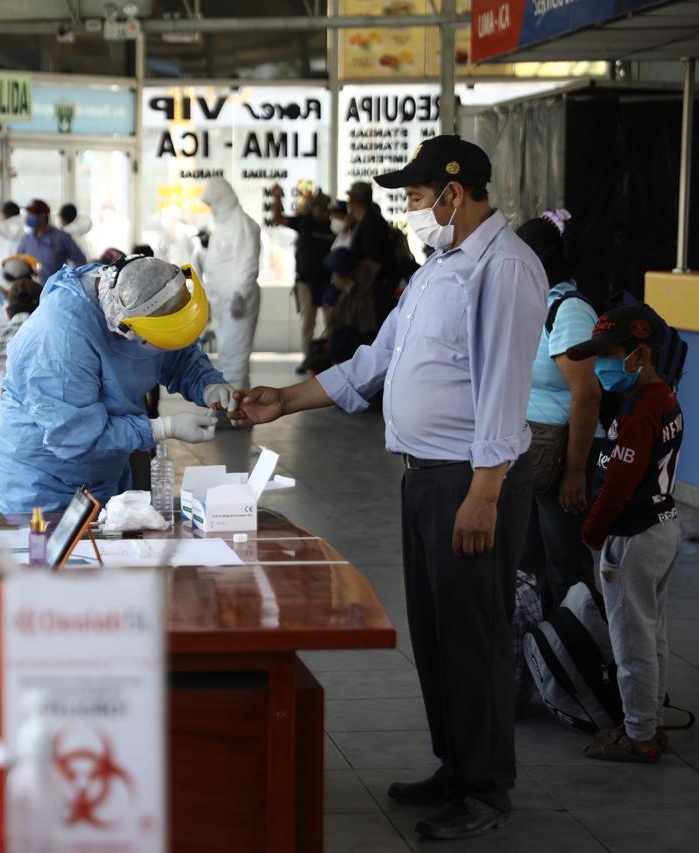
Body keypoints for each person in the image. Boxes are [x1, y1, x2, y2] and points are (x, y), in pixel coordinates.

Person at [229, 135, 546, 840]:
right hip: (426, 477)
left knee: (474, 634)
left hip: (471, 479)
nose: (409, 210)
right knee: (435, 634)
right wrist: (287, 399)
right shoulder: (439, 266)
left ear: (453, 194)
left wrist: (485, 491)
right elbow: (376, 359)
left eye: (416, 197)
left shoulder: (503, 267)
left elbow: (503, 386)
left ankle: (485, 788)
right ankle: (455, 765)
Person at [0, 255, 234, 513]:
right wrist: (163, 428)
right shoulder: (61, 335)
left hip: (105, 471)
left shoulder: (141, 291)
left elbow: (175, 352)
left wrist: (209, 386)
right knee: (55, 540)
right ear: (127, 329)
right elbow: (74, 435)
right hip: (43, 482)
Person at [567, 304, 685, 763]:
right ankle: (649, 721)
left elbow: (618, 486)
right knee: (651, 633)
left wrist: (592, 531)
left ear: (641, 354)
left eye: (610, 355)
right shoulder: (662, 398)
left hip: (634, 536)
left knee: (632, 642)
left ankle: (639, 736)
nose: (601, 365)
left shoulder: (639, 413)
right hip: (661, 526)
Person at [514, 210, 601, 614]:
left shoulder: (568, 311)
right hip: (535, 452)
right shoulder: (535, 303)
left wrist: (575, 472)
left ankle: (578, 648)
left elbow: (587, 394)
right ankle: (540, 647)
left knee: (566, 569)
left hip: (565, 453)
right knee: (530, 567)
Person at [200, 177, 261, 390]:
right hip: (222, 301)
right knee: (226, 353)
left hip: (237, 302)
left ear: (222, 199)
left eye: (212, 203)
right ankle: (233, 400)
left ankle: (237, 403)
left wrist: (239, 294)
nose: (211, 209)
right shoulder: (223, 226)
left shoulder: (243, 224)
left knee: (236, 357)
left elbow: (248, 262)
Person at [270, 187, 335, 374]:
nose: (323, 212)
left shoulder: (333, 225)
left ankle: (331, 357)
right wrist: (277, 197)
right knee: (308, 322)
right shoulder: (304, 222)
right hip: (305, 281)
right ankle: (308, 358)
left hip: (328, 281)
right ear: (313, 208)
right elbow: (278, 219)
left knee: (332, 321)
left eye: (325, 208)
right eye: (319, 208)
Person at [346, 181, 396, 325]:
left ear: (354, 200)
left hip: (371, 291)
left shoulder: (372, 222)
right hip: (367, 288)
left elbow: (374, 259)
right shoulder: (363, 220)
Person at [17, 198, 86, 280]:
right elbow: (19, 261)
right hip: (32, 286)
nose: (28, 217)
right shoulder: (26, 239)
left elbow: (80, 260)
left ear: (42, 216)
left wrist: (70, 279)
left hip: (56, 286)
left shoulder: (60, 237)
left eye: (31, 214)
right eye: (28, 214)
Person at [0, 201, 25, 290]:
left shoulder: (12, 227)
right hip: (12, 276)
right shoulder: (7, 228)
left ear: (4, 214)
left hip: (10, 278)